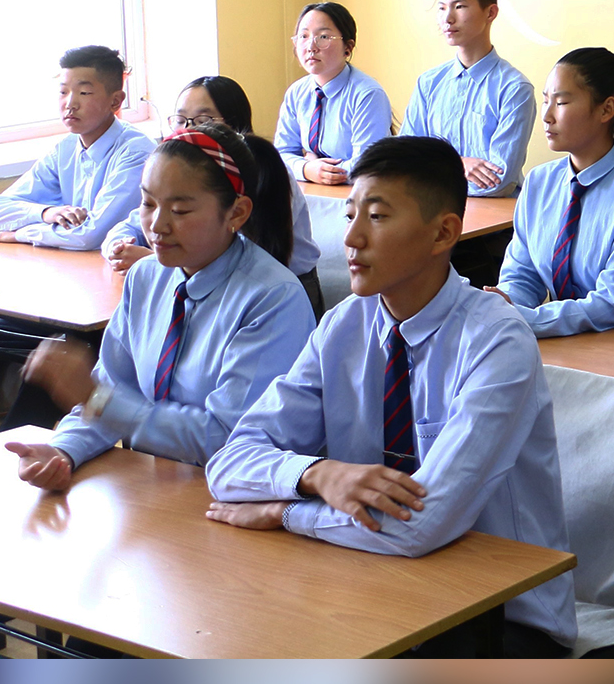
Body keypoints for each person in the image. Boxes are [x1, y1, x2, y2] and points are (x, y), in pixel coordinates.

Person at [205, 135, 576, 657]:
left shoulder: (497, 341)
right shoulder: (343, 325)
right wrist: (317, 475)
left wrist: (284, 512)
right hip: (371, 584)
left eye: (377, 217)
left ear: (443, 232)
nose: (351, 238)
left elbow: (421, 525)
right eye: (350, 214)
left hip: (498, 615)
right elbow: (228, 465)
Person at [9, 125, 315, 488]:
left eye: (180, 210)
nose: (156, 225)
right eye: (148, 203)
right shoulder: (146, 276)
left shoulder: (273, 298)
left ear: (237, 213)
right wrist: (63, 449)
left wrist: (98, 399)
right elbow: (115, 387)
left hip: (235, 494)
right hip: (153, 486)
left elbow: (227, 440)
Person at [104, 75, 327, 313]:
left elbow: (234, 256)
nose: (188, 130)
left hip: (275, 293)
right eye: (180, 120)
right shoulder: (180, 177)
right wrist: (119, 246)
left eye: (203, 121)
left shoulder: (263, 173)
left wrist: (156, 263)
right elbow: (132, 224)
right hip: (212, 287)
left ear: (233, 126)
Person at [496, 47, 614, 335]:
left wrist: (529, 320)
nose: (547, 116)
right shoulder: (539, 181)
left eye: (561, 102)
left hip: (613, 345)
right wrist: (504, 306)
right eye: (546, 100)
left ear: (606, 109)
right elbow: (522, 275)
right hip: (552, 338)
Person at [0, 45, 150, 250]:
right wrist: (46, 213)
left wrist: (18, 234)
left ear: (115, 101)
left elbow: (91, 236)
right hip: (73, 262)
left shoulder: (136, 154)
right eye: (63, 92)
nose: (70, 104)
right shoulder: (65, 149)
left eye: (84, 92)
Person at [403, 0, 537, 198]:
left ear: (491, 13)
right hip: (433, 209)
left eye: (460, 6)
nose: (447, 18)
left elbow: (498, 182)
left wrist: (432, 170)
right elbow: (404, 159)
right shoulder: (428, 83)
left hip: (494, 215)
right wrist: (458, 163)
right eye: (442, 8)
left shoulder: (515, 88)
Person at [273, 1, 396, 186]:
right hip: (310, 193)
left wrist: (320, 171)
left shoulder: (367, 94)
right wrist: (306, 169)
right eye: (303, 36)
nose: (311, 46)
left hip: (357, 194)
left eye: (323, 37)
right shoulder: (296, 93)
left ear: (348, 47)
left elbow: (368, 165)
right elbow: (281, 154)